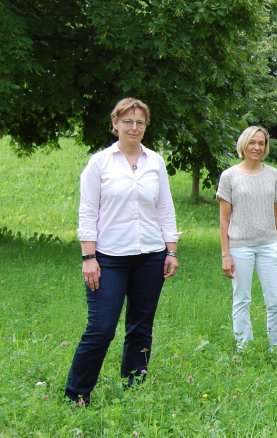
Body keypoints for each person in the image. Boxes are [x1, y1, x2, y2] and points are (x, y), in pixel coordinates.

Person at [66, 98, 179, 405]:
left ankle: (134, 388)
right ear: (115, 123)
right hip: (109, 258)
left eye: (140, 122)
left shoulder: (155, 162)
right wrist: (88, 257)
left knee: (141, 327)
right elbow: (87, 213)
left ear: (146, 126)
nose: (133, 127)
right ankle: (77, 395)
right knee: (101, 328)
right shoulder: (99, 163)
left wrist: (171, 250)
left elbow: (165, 209)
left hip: (151, 256)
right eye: (127, 121)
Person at [217, 126, 277, 352]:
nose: (257, 147)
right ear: (243, 145)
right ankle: (244, 349)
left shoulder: (273, 174)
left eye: (261, 143)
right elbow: (224, 221)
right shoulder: (229, 176)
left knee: (275, 301)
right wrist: (226, 254)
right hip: (240, 247)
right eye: (252, 142)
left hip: (269, 246)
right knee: (242, 300)